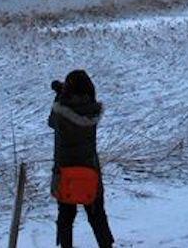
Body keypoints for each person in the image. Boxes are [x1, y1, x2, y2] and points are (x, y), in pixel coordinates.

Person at [48, 69, 115, 248]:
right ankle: (107, 245)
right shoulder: (92, 111)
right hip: (90, 168)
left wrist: (59, 94)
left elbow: (51, 122)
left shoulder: (60, 112)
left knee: (66, 216)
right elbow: (79, 105)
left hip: (65, 170)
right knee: (97, 214)